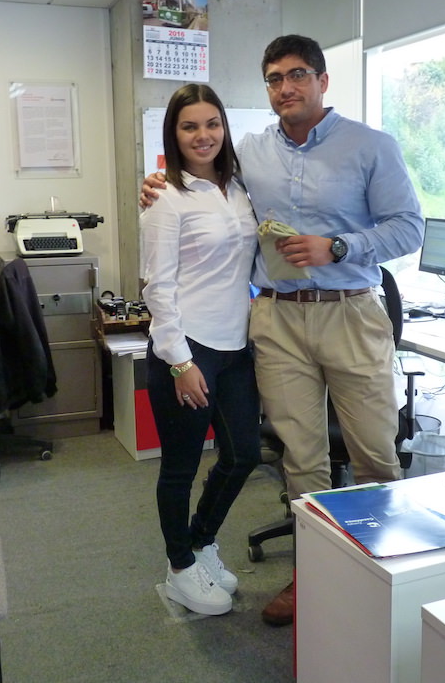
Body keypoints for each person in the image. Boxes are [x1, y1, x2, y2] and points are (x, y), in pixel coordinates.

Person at [142, 35, 425, 625]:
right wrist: (158, 184)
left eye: (298, 75)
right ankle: (312, 577)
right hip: (275, 319)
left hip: (349, 311)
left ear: (322, 80)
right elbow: (202, 182)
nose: (286, 88)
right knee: (301, 460)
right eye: (274, 78)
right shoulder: (250, 153)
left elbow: (408, 228)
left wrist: (339, 246)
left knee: (376, 454)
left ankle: (385, 579)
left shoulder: (371, 146)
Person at [141, 83, 261, 616]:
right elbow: (157, 287)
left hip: (236, 346)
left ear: (224, 128)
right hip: (187, 348)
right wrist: (179, 361)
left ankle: (201, 541)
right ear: (174, 134)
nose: (203, 135)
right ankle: (179, 568)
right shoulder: (165, 199)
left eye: (212, 123)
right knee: (180, 467)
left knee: (243, 455)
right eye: (189, 126)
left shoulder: (239, 189)